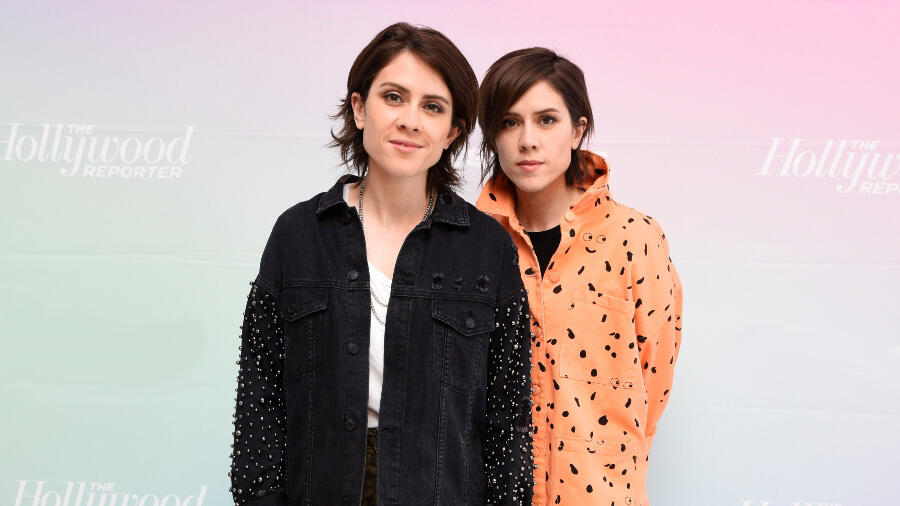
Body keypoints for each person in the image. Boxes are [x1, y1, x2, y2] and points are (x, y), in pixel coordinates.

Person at [229, 23, 533, 506]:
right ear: (359, 107)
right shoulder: (298, 234)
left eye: (432, 107)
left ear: (452, 131)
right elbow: (260, 398)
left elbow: (507, 416)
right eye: (394, 97)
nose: (410, 121)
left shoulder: (487, 248)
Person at [476, 47, 683, 506]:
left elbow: (654, 378)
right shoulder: (471, 245)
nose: (528, 140)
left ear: (577, 130)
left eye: (546, 120)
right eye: (509, 122)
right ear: (492, 136)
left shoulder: (634, 238)